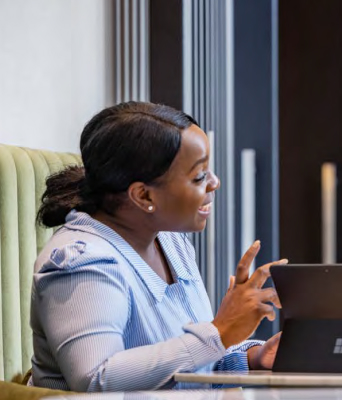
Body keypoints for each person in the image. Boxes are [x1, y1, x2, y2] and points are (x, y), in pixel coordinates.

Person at [30, 102, 285, 392]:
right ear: (143, 195)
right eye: (199, 176)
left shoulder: (171, 241)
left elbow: (182, 367)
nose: (215, 182)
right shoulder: (80, 261)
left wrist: (250, 358)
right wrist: (220, 332)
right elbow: (97, 380)